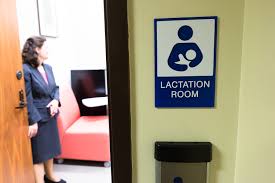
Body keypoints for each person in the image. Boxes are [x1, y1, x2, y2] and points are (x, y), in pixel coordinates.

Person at [22, 36, 66, 183]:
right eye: (45, 47)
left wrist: (55, 100)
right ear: (37, 50)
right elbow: (27, 98)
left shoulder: (48, 68)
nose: (48, 50)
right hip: (38, 118)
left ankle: (51, 176)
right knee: (39, 155)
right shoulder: (26, 69)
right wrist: (32, 121)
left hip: (51, 115)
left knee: (50, 149)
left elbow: (55, 88)